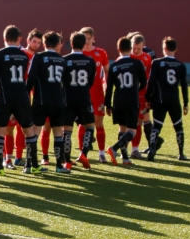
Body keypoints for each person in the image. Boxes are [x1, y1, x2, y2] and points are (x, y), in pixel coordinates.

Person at [0, 25, 43, 175]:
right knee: (28, 131)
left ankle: (0, 167)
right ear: (19, 38)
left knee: (0, 131)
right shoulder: (24, 56)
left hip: (5, 96)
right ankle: (29, 165)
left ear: (4, 38)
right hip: (21, 95)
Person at [27, 31, 70, 173]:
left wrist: (27, 93)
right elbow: (66, 82)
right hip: (58, 101)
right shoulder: (61, 59)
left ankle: (29, 165)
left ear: (44, 44)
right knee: (58, 132)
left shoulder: (38, 57)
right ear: (58, 44)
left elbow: (31, 78)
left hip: (41, 100)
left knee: (34, 132)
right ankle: (59, 166)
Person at [104, 37, 147, 166]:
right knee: (132, 131)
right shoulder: (137, 63)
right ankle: (114, 148)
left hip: (118, 100)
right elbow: (144, 82)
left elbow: (109, 87)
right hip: (132, 100)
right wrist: (135, 89)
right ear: (131, 49)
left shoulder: (114, 66)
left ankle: (125, 158)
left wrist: (108, 105)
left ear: (118, 49)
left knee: (122, 128)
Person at [145, 37, 190, 160]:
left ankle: (152, 148)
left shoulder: (157, 63)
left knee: (156, 126)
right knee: (178, 126)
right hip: (174, 100)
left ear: (164, 48)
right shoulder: (181, 65)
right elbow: (184, 85)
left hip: (159, 99)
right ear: (175, 49)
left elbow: (151, 82)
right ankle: (181, 153)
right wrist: (186, 103)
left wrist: (147, 98)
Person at [62, 32, 97, 169]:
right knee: (89, 126)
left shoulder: (64, 60)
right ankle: (84, 153)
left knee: (67, 130)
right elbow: (91, 81)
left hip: (67, 99)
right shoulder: (90, 61)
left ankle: (67, 161)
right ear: (84, 44)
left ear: (71, 44)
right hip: (83, 97)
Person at [79, 27, 110, 163]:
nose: (86, 41)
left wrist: (105, 84)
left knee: (98, 123)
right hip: (82, 94)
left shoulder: (101, 53)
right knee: (82, 123)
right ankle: (82, 153)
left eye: (89, 38)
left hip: (97, 94)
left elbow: (107, 71)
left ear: (93, 38)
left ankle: (101, 153)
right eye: (84, 38)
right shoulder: (78, 54)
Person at [129, 33, 153, 159]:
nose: (136, 51)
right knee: (125, 123)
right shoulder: (127, 57)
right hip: (128, 94)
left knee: (138, 121)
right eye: (134, 48)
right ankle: (122, 148)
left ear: (143, 46)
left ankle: (135, 149)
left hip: (142, 94)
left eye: (139, 48)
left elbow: (149, 77)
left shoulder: (147, 58)